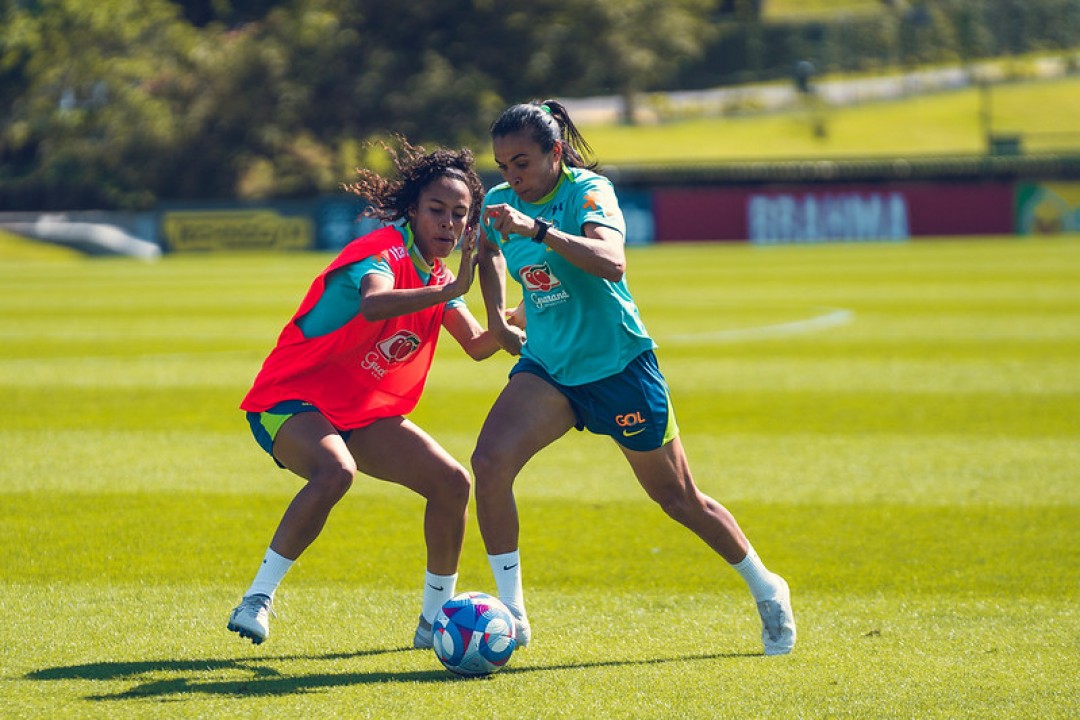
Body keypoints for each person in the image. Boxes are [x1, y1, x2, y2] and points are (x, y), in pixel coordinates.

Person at [472, 100, 796, 655]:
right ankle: (515, 615)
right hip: (549, 369)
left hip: (619, 367)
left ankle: (767, 588)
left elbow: (611, 260)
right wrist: (500, 320)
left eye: (522, 162)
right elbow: (488, 252)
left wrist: (539, 228)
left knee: (678, 499)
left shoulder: (587, 193)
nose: (511, 177)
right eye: (502, 166)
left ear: (554, 154)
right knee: (489, 462)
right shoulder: (501, 202)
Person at [227, 139, 519, 647]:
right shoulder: (380, 250)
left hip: (355, 411)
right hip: (289, 399)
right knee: (336, 471)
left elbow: (476, 344)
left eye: (459, 214)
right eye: (436, 210)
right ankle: (257, 599)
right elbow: (374, 304)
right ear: (412, 209)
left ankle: (432, 626)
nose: (447, 224)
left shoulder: (437, 274)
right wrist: (451, 291)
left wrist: (529, 307)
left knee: (452, 484)